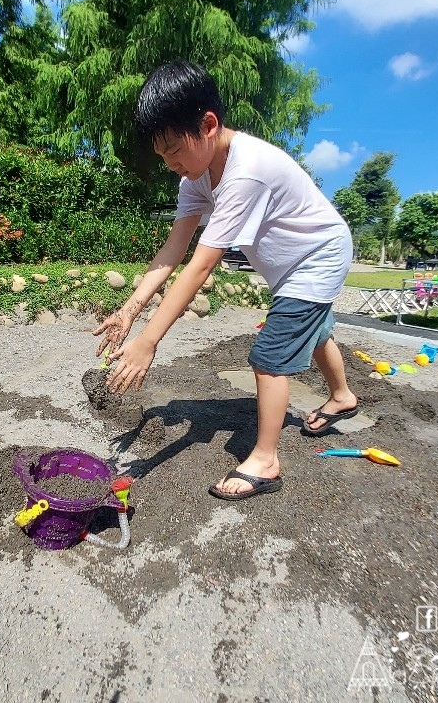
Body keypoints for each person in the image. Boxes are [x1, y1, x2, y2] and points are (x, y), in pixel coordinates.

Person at [93, 60, 357, 501]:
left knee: (269, 356)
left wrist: (149, 341)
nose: (170, 164)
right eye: (162, 156)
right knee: (312, 328)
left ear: (208, 125)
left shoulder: (245, 171)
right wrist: (128, 312)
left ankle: (265, 461)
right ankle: (343, 396)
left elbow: (199, 266)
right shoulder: (196, 175)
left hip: (317, 257)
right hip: (292, 264)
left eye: (175, 150)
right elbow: (172, 251)